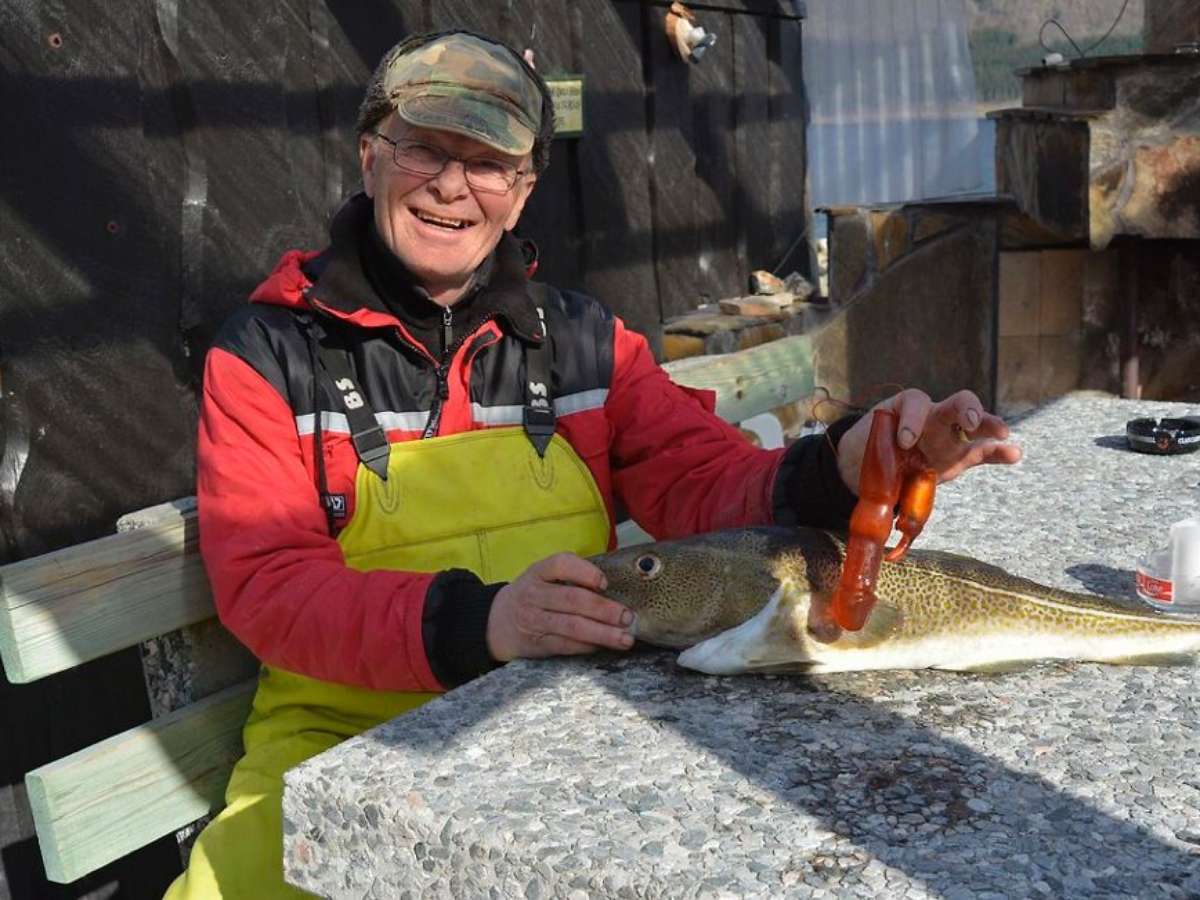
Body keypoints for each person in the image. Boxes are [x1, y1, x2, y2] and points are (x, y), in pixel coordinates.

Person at [167, 29, 1021, 898]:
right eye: (422, 148)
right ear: (369, 155)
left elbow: (706, 483)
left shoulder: (583, 343)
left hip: (563, 730)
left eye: (488, 162)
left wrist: (844, 464)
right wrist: (484, 622)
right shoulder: (269, 356)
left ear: (523, 191)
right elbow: (270, 585)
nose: (452, 186)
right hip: (337, 741)